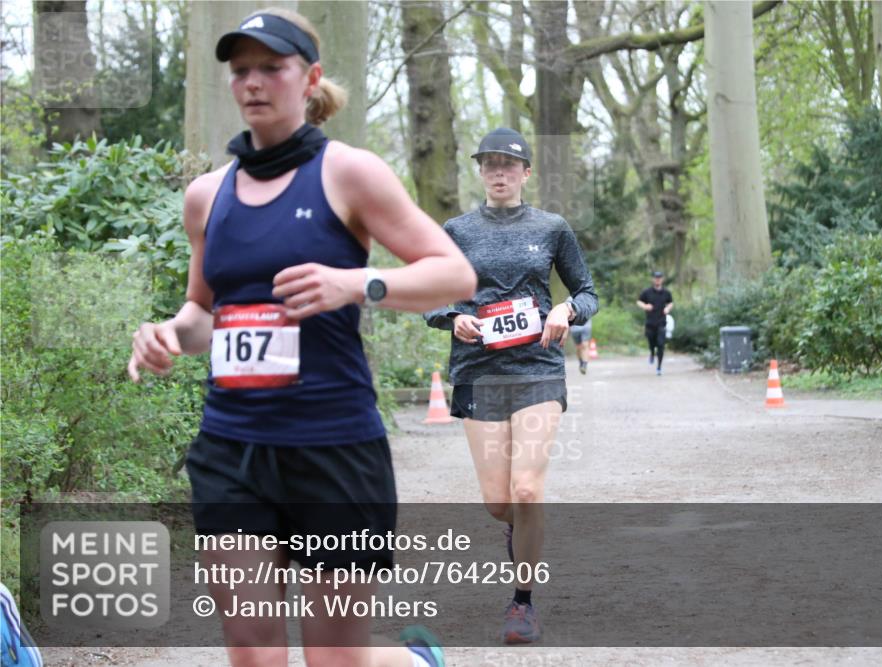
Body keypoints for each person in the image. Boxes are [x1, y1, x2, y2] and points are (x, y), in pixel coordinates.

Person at [127, 8, 475, 667]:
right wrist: (169, 334)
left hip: (333, 446)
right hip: (232, 448)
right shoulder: (207, 196)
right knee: (253, 652)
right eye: (241, 71)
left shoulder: (351, 173)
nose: (253, 83)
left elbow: (454, 272)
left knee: (334, 659)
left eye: (271, 68)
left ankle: (419, 660)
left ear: (309, 77)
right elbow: (203, 312)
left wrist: (358, 283)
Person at [424, 127, 598, 644]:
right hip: (479, 372)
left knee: (527, 488)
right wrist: (452, 316)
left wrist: (567, 308)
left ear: (525, 173)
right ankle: (516, 527)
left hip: (537, 369)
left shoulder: (551, 227)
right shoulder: (455, 230)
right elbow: (431, 294)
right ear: (480, 171)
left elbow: (587, 291)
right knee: (500, 502)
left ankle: (522, 603)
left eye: (509, 164)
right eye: (490, 163)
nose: (499, 172)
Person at [637, 270, 673, 376]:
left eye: (659, 278)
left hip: (661, 322)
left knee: (661, 345)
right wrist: (645, 306)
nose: (658, 280)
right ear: (653, 279)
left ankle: (659, 367)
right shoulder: (647, 292)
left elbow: (671, 302)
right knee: (651, 342)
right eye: (656, 278)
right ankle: (652, 353)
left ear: (662, 279)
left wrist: (667, 309)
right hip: (650, 323)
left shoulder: (666, 293)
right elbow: (639, 301)